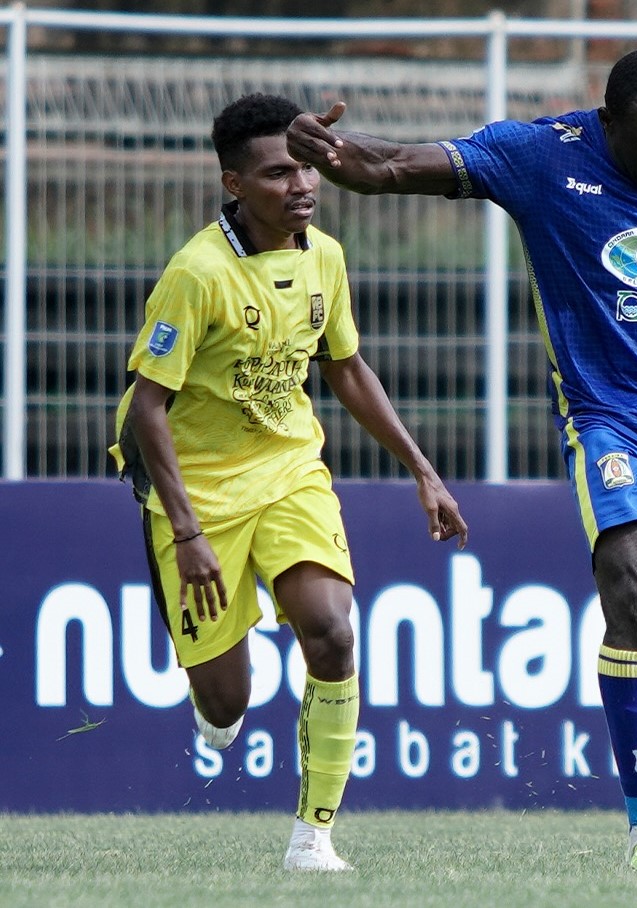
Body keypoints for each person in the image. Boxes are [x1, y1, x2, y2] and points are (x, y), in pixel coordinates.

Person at [287, 44, 637, 873]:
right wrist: (335, 156)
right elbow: (398, 165)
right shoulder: (539, 156)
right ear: (610, 121)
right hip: (610, 422)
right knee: (636, 591)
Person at [109, 93, 468, 872]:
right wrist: (189, 531)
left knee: (333, 631)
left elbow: (344, 366)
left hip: (290, 471)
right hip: (198, 493)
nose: (300, 183)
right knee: (224, 701)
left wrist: (423, 469)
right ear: (235, 184)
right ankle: (213, 705)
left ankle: (314, 837)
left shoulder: (325, 256)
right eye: (278, 172)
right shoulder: (197, 272)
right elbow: (147, 406)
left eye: (305, 166)